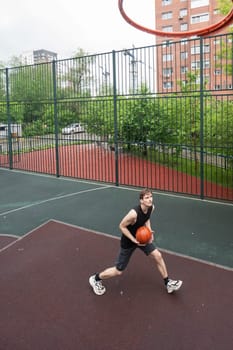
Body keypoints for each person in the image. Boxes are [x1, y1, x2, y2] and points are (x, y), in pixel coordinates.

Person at [89, 188, 182, 295]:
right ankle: (95, 279)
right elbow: (121, 226)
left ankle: (168, 283)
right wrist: (133, 240)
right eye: (147, 198)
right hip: (128, 242)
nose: (150, 199)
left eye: (151, 197)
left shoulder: (151, 207)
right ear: (141, 201)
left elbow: (147, 218)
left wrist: (149, 231)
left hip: (142, 237)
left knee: (158, 256)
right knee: (118, 271)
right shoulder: (133, 214)